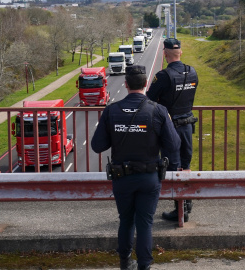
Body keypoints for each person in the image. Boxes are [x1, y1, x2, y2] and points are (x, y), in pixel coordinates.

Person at [91, 65, 180, 270]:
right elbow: (174, 146)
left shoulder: (112, 110)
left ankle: (125, 262)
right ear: (146, 84)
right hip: (149, 178)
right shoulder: (158, 111)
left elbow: (97, 146)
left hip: (122, 178)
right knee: (145, 223)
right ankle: (144, 265)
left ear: (126, 84)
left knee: (126, 221)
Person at [147, 38, 198, 222]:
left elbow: (150, 99)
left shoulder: (163, 76)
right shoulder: (192, 72)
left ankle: (180, 211)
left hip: (170, 128)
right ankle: (186, 203)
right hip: (187, 126)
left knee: (174, 168)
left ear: (165, 54)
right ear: (181, 53)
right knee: (187, 166)